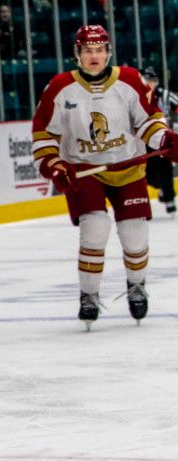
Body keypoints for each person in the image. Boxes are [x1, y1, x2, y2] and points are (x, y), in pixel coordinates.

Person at [32, 25, 176, 328]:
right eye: (87, 51)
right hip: (84, 170)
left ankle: (136, 286)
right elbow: (44, 134)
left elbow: (148, 120)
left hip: (127, 167)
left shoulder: (129, 80)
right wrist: (54, 165)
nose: (94, 56)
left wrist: (164, 140)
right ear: (77, 55)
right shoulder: (59, 87)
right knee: (95, 227)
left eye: (99, 50)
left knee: (134, 232)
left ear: (108, 51)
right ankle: (88, 294)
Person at [140, 65, 176, 216]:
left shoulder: (165, 95)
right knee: (148, 174)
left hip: (163, 140)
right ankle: (160, 187)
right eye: (148, 80)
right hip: (144, 142)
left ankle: (169, 199)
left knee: (166, 171)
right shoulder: (136, 97)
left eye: (153, 80)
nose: (151, 83)